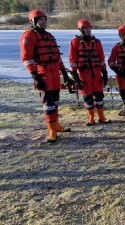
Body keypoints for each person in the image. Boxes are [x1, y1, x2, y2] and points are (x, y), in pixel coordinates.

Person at [20, 9, 73, 143]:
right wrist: (35, 77)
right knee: (48, 101)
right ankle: (51, 130)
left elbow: (56, 56)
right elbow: (27, 58)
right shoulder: (28, 36)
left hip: (54, 71)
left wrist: (65, 74)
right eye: (40, 19)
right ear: (33, 21)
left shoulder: (49, 35)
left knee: (55, 99)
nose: (43, 22)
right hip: (42, 72)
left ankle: (56, 124)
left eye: (45, 19)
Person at [69, 19, 111, 126]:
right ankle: (91, 118)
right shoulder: (75, 42)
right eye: (85, 28)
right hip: (83, 73)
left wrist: (105, 72)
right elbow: (73, 60)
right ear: (80, 29)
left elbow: (101, 58)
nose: (88, 30)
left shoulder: (97, 42)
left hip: (96, 72)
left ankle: (101, 117)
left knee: (99, 95)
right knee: (88, 96)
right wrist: (75, 77)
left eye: (89, 28)